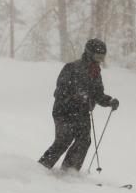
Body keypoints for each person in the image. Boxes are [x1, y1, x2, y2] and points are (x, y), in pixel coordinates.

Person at [38, 38, 119, 172]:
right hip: (63, 111)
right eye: (97, 56)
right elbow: (59, 91)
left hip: (82, 112)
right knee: (64, 140)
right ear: (89, 53)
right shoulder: (71, 68)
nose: (99, 60)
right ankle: (42, 167)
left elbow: (98, 94)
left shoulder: (96, 72)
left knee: (84, 141)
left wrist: (109, 101)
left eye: (102, 57)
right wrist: (76, 96)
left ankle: (69, 171)